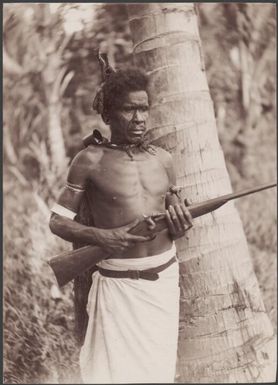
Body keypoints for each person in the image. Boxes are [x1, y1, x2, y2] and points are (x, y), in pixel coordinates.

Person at [49, 68, 193, 383]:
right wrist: (102, 236)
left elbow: (174, 216)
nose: (139, 117)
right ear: (109, 114)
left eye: (144, 108)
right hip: (117, 287)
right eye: (129, 109)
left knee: (158, 373)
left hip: (163, 283)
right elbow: (57, 221)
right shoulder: (89, 160)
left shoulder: (163, 160)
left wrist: (180, 225)